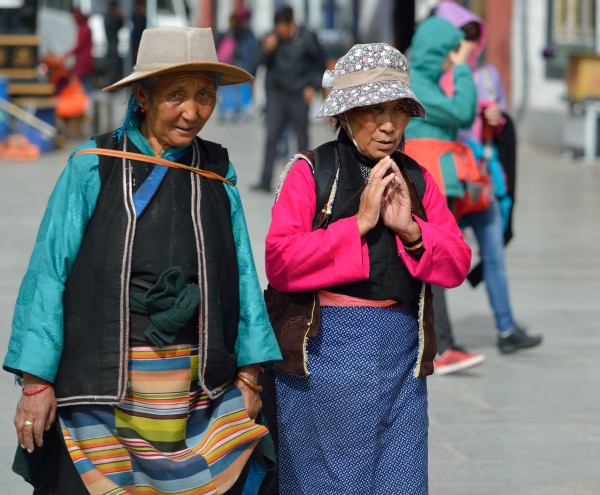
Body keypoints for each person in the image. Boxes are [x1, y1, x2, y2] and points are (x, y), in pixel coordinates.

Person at [4, 26, 282, 495]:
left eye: (205, 95)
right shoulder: (93, 163)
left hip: (197, 393)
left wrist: (250, 375)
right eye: (176, 95)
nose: (193, 112)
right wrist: (36, 382)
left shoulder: (217, 170)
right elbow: (49, 272)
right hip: (101, 392)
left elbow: (242, 271)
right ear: (142, 96)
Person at [264, 42, 472, 494]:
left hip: (401, 360)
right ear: (344, 114)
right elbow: (280, 262)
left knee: (403, 482)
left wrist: (412, 231)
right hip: (325, 360)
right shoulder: (310, 172)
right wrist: (357, 224)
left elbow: (456, 262)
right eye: (372, 110)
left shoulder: (416, 179)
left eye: (398, 110)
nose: (388, 125)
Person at [433, 4, 542, 373]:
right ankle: (438, 336)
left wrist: (495, 119)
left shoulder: (489, 75)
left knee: (494, 256)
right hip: (454, 182)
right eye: (462, 36)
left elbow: (500, 122)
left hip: (484, 180)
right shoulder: (438, 79)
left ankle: (507, 328)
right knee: (441, 255)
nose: (469, 43)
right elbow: (450, 121)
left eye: (474, 36)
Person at [252, 5, 326, 193]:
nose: (280, 32)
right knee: (271, 137)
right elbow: (256, 62)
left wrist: (313, 86)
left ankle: (305, 180)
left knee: (302, 140)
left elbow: (319, 64)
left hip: (299, 96)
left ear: (291, 23)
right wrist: (266, 49)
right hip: (277, 95)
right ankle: (265, 179)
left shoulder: (307, 37)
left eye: (283, 28)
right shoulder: (272, 38)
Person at [216, 7, 259, 121]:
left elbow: (252, 52)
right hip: (231, 65)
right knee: (229, 89)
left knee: (237, 88)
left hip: (239, 66)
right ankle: (230, 110)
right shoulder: (230, 34)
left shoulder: (240, 34)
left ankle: (237, 110)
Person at [64, 8, 94, 94]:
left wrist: (68, 53)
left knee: (84, 83)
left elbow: (79, 46)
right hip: (85, 60)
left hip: (83, 62)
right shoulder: (85, 27)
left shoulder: (84, 28)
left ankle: (89, 102)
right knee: (85, 83)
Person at [103, 0, 124, 86]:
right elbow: (117, 26)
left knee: (113, 66)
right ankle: (112, 83)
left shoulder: (108, 17)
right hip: (112, 44)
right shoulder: (109, 17)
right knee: (113, 66)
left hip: (112, 44)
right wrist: (119, 17)